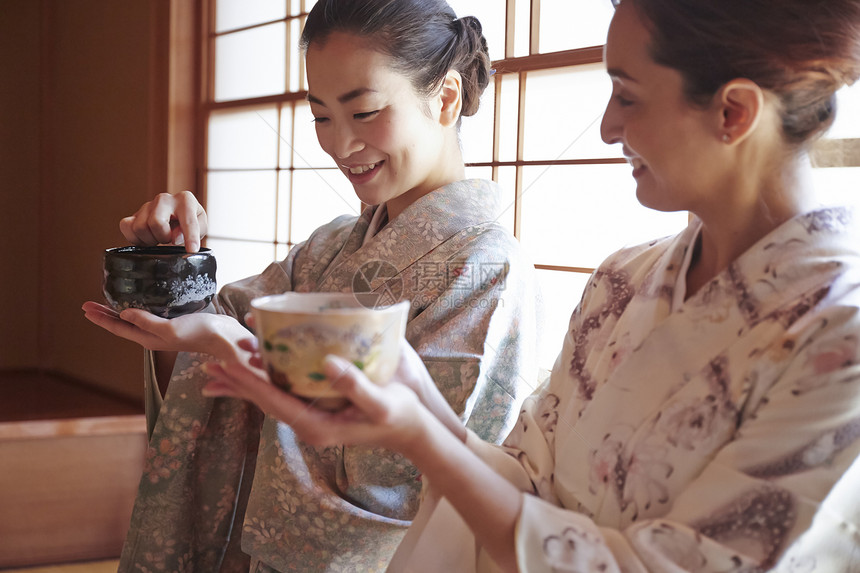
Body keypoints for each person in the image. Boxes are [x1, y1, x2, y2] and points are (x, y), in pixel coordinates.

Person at [201, 0, 860, 570]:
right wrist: (414, 401)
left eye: (627, 95)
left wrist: (416, 435)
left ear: (734, 111)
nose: (606, 126)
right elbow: (527, 478)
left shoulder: (840, 332)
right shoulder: (623, 281)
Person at [82, 1, 541, 571]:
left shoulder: (484, 267)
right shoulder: (331, 246)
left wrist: (240, 352)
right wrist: (169, 262)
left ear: (445, 98)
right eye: (322, 116)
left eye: (366, 112)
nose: (339, 145)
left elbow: (405, 482)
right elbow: (208, 324)